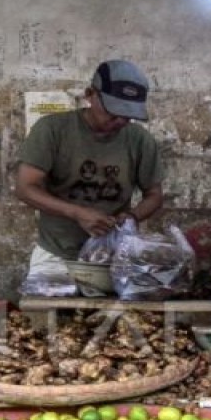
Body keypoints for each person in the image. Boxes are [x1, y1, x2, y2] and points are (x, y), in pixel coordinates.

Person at [14, 59, 165, 290]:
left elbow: (154, 194)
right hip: (56, 256)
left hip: (112, 260)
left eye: (127, 116)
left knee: (111, 323)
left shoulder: (140, 141)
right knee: (47, 322)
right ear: (90, 94)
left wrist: (132, 217)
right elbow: (25, 188)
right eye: (113, 113)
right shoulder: (53, 129)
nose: (120, 121)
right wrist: (76, 212)